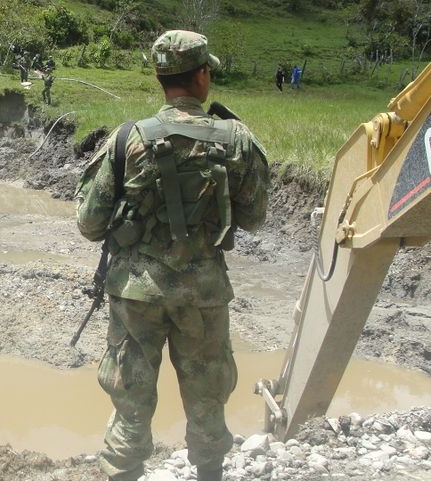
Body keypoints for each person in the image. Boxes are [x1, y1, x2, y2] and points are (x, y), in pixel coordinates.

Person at [75, 30, 269, 481]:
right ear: (202, 75)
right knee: (207, 397)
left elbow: (89, 223)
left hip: (136, 295)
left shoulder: (128, 140)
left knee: (131, 401)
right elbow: (254, 218)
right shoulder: (235, 139)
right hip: (203, 295)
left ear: (161, 77)